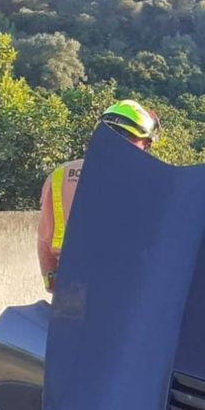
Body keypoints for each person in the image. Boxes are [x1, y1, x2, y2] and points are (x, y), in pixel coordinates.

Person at [38, 100, 160, 292]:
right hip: (128, 293)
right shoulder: (146, 181)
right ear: (140, 140)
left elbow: (45, 241)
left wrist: (53, 286)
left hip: (72, 293)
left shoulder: (61, 176)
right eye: (145, 143)